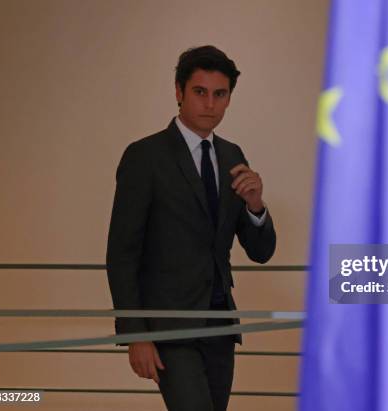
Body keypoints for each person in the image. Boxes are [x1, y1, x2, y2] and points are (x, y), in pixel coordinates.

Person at [105, 45, 276, 411]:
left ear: (229, 98)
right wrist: (136, 335)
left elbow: (261, 252)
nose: (210, 104)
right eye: (200, 92)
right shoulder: (145, 157)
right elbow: (122, 254)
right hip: (171, 327)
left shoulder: (232, 156)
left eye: (220, 94)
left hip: (221, 324)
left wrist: (255, 205)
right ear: (179, 91)